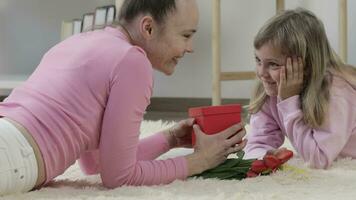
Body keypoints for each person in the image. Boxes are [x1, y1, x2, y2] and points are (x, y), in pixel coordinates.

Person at [0, 0, 247, 195]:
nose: (190, 47)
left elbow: (95, 164)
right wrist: (200, 161)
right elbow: (119, 177)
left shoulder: (80, 41)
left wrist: (170, 138)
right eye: (185, 35)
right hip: (14, 154)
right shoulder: (132, 61)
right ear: (148, 27)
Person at [244, 8, 356, 169]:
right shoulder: (272, 91)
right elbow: (257, 143)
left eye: (273, 64)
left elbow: (318, 159)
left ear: (306, 65)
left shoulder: (336, 92)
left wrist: (290, 102)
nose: (261, 73)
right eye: (258, 60)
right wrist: (263, 157)